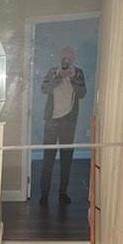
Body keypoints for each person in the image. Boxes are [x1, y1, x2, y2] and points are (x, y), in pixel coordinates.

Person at [39, 46, 86, 206]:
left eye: (70, 57)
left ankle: (62, 193)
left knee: (66, 160)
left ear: (73, 58)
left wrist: (73, 78)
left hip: (69, 122)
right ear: (60, 57)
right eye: (64, 57)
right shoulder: (53, 72)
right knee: (47, 160)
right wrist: (59, 76)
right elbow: (44, 89)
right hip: (52, 121)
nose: (67, 60)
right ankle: (44, 194)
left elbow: (82, 93)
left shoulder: (78, 73)